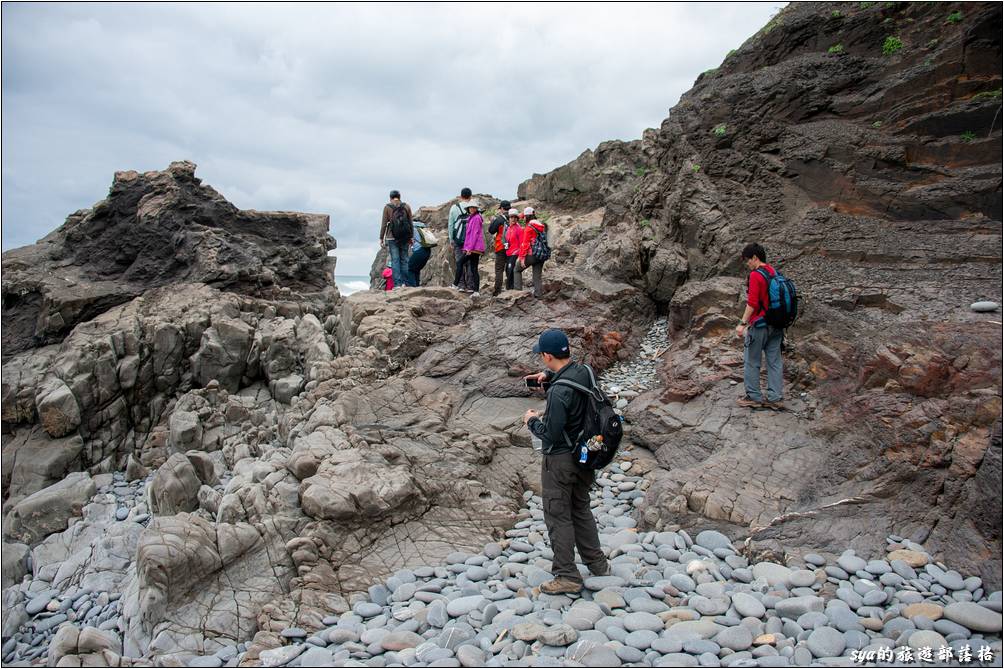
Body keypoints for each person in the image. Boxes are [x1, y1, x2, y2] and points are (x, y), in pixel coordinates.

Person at [522, 329, 608, 594]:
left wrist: (531, 421)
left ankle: (567, 575)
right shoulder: (585, 371)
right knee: (580, 508)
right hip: (586, 455)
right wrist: (548, 377)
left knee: (557, 515)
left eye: (543, 357)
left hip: (561, 462)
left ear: (547, 356)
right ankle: (597, 563)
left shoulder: (559, 393)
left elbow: (550, 433)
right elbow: (572, 383)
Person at [736, 242, 784, 409]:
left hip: (760, 324)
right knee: (774, 361)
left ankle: (753, 397)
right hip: (777, 324)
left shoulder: (756, 275)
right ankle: (776, 398)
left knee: (752, 360)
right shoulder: (773, 271)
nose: (747, 264)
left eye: (748, 260)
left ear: (755, 258)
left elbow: (753, 303)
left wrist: (742, 324)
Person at [379, 190, 413, 289]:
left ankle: (397, 284)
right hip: (405, 237)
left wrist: (381, 238)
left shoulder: (387, 207)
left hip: (391, 237)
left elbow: (384, 224)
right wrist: (411, 237)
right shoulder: (406, 206)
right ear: (399, 197)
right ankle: (405, 283)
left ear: (390, 198)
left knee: (395, 260)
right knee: (405, 260)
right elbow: (410, 222)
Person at [449, 187, 473, 290]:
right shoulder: (473, 207)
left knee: (459, 262)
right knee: (470, 262)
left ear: (461, 196)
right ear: (470, 196)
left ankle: (461, 285)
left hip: (458, 239)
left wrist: (451, 239)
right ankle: (471, 285)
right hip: (470, 240)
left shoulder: (455, 208)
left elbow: (450, 224)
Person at [518, 217, 547, 298]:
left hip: (532, 254)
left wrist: (522, 258)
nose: (523, 218)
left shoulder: (529, 228)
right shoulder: (541, 227)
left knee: (517, 269)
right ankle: (539, 295)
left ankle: (517, 293)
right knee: (537, 276)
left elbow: (525, 244)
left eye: (524, 217)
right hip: (541, 255)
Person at [487, 200, 512, 296]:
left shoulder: (499, 219)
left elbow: (491, 231)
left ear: (502, 208)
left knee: (499, 269)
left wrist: (493, 221)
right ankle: (510, 287)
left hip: (501, 246)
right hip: (511, 247)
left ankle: (497, 291)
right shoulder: (513, 217)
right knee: (510, 268)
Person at [461, 200, 485, 296]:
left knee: (461, 263)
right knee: (474, 268)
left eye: (473, 207)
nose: (471, 209)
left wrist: (469, 249)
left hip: (474, 248)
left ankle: (456, 284)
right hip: (474, 247)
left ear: (476, 209)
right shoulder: (474, 217)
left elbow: (474, 235)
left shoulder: (475, 218)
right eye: (470, 207)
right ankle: (476, 291)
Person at [405, 219, 433, 287]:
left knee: (410, 268)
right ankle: (417, 286)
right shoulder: (423, 227)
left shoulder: (412, 227)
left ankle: (412, 287)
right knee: (416, 269)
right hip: (427, 250)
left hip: (419, 250)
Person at [504, 208, 523, 291]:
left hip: (515, 253)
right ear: (509, 218)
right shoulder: (508, 228)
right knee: (507, 270)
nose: (513, 219)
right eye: (512, 217)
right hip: (508, 253)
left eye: (515, 217)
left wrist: (518, 253)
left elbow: (522, 243)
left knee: (511, 270)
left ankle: (511, 289)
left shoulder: (518, 229)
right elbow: (506, 240)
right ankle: (510, 289)